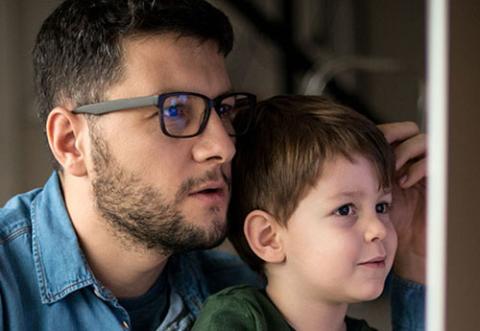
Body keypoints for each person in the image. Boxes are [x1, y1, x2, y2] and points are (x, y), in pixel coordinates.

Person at [0, 0, 425, 330]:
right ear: (71, 142)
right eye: (175, 111)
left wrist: (414, 250)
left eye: (223, 110)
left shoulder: (258, 292)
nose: (223, 146)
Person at [192, 95, 401, 330]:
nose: (379, 229)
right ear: (268, 237)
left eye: (382, 207)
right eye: (345, 210)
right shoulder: (236, 321)